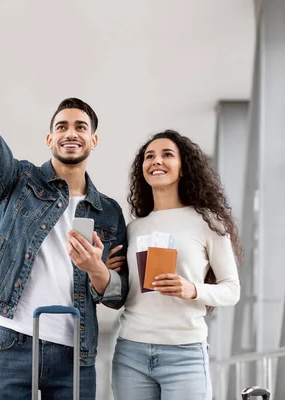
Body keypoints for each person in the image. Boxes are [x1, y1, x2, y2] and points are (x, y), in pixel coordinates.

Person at [0, 46, 129, 400]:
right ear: (49, 138)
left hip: (76, 350)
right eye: (62, 127)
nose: (72, 133)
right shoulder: (19, 182)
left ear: (93, 140)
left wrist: (96, 269)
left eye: (81, 127)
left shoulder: (109, 212)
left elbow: (117, 293)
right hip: (12, 341)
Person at [108, 130, 241, 399]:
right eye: (150, 156)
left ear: (183, 169)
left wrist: (192, 289)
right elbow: (124, 293)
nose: (157, 161)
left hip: (185, 354)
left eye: (167, 155)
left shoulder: (208, 223)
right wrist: (108, 272)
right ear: (142, 170)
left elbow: (232, 289)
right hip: (131, 352)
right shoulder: (134, 228)